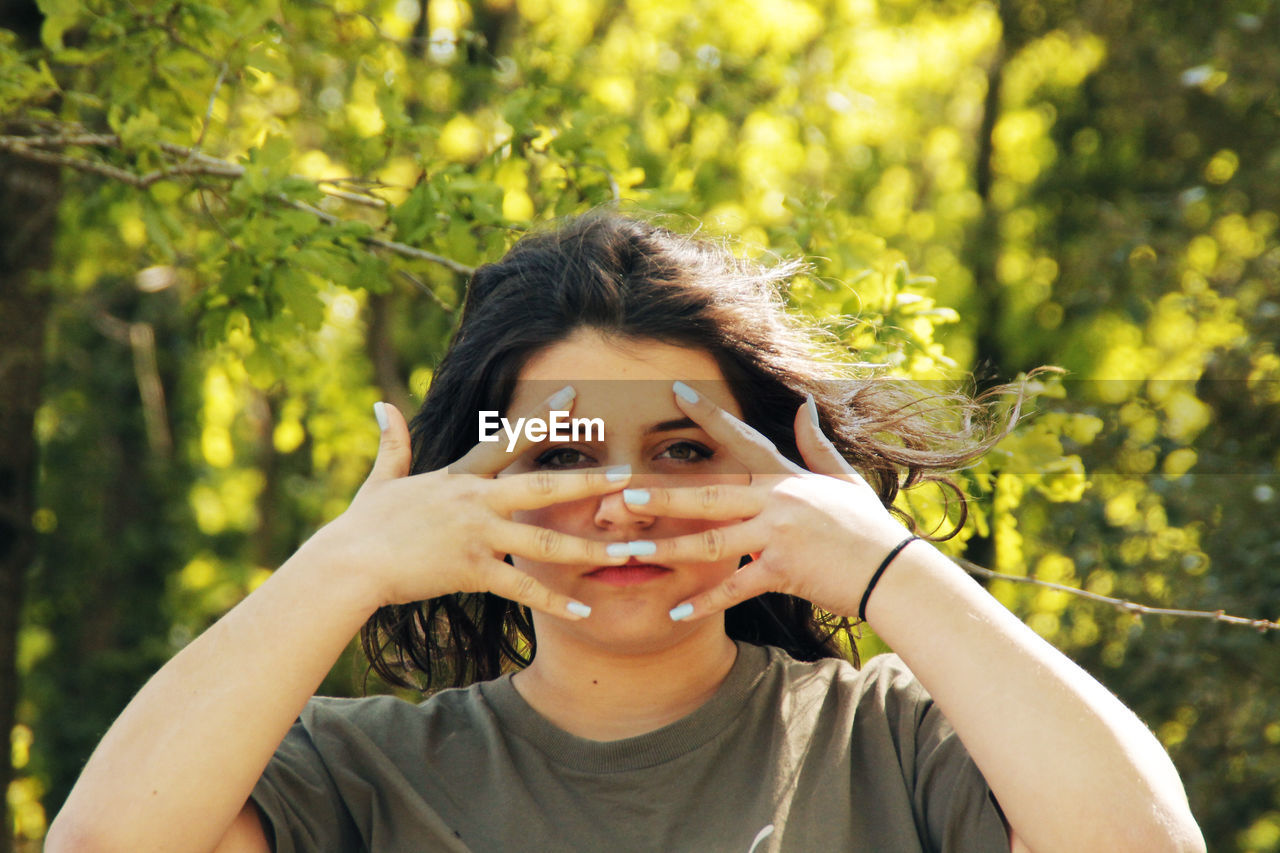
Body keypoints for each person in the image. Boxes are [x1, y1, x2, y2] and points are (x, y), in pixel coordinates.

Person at [47, 213, 1205, 853]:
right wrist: (345, 563)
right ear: (469, 477)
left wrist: (881, 565)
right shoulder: (352, 777)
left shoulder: (898, 748)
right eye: (557, 451)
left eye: (684, 449)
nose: (628, 501)